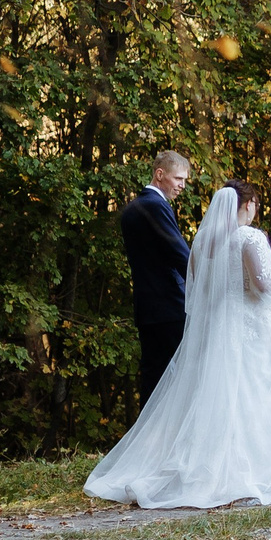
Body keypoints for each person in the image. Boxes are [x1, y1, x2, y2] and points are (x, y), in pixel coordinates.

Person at [84, 181, 271, 508]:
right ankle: (268, 464)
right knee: (267, 390)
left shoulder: (202, 241)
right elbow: (263, 287)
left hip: (217, 327)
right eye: (256, 206)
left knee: (219, 398)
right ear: (247, 204)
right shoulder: (250, 237)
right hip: (252, 323)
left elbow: (197, 292)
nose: (255, 213)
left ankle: (212, 465)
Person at [119, 150, 192, 404]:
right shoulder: (155, 205)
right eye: (178, 179)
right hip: (169, 306)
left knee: (153, 381)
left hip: (148, 307)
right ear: (160, 174)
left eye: (185, 180)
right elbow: (181, 256)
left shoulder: (133, 208)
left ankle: (148, 441)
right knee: (180, 379)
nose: (182, 186)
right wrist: (207, 283)